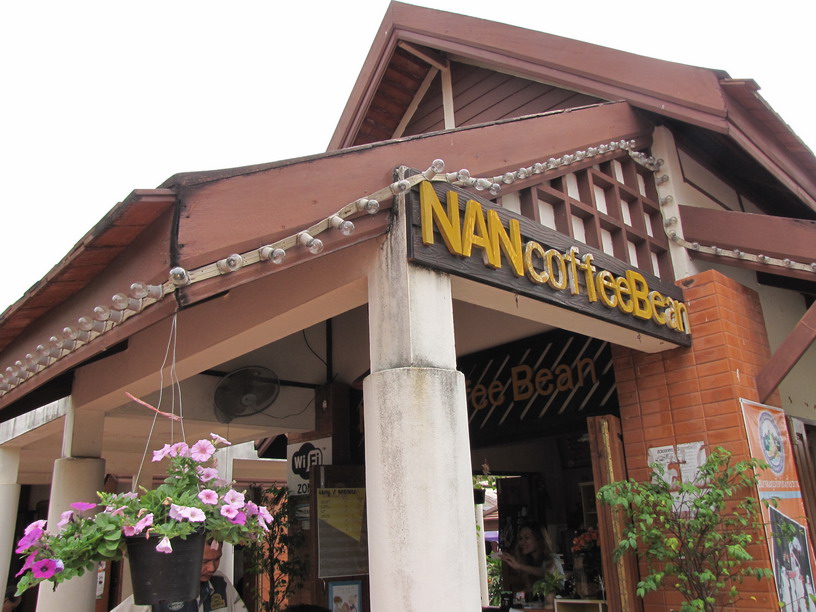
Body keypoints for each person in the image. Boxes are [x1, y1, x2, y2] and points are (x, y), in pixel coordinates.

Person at [111, 541, 247, 611]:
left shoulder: (221, 584)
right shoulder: (158, 593)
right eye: (204, 562)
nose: (212, 568)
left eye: (217, 559)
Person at [499, 522, 563, 589]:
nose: (522, 542)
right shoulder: (529, 562)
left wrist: (519, 566)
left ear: (538, 539)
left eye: (527, 538)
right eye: (520, 538)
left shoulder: (552, 558)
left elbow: (547, 573)